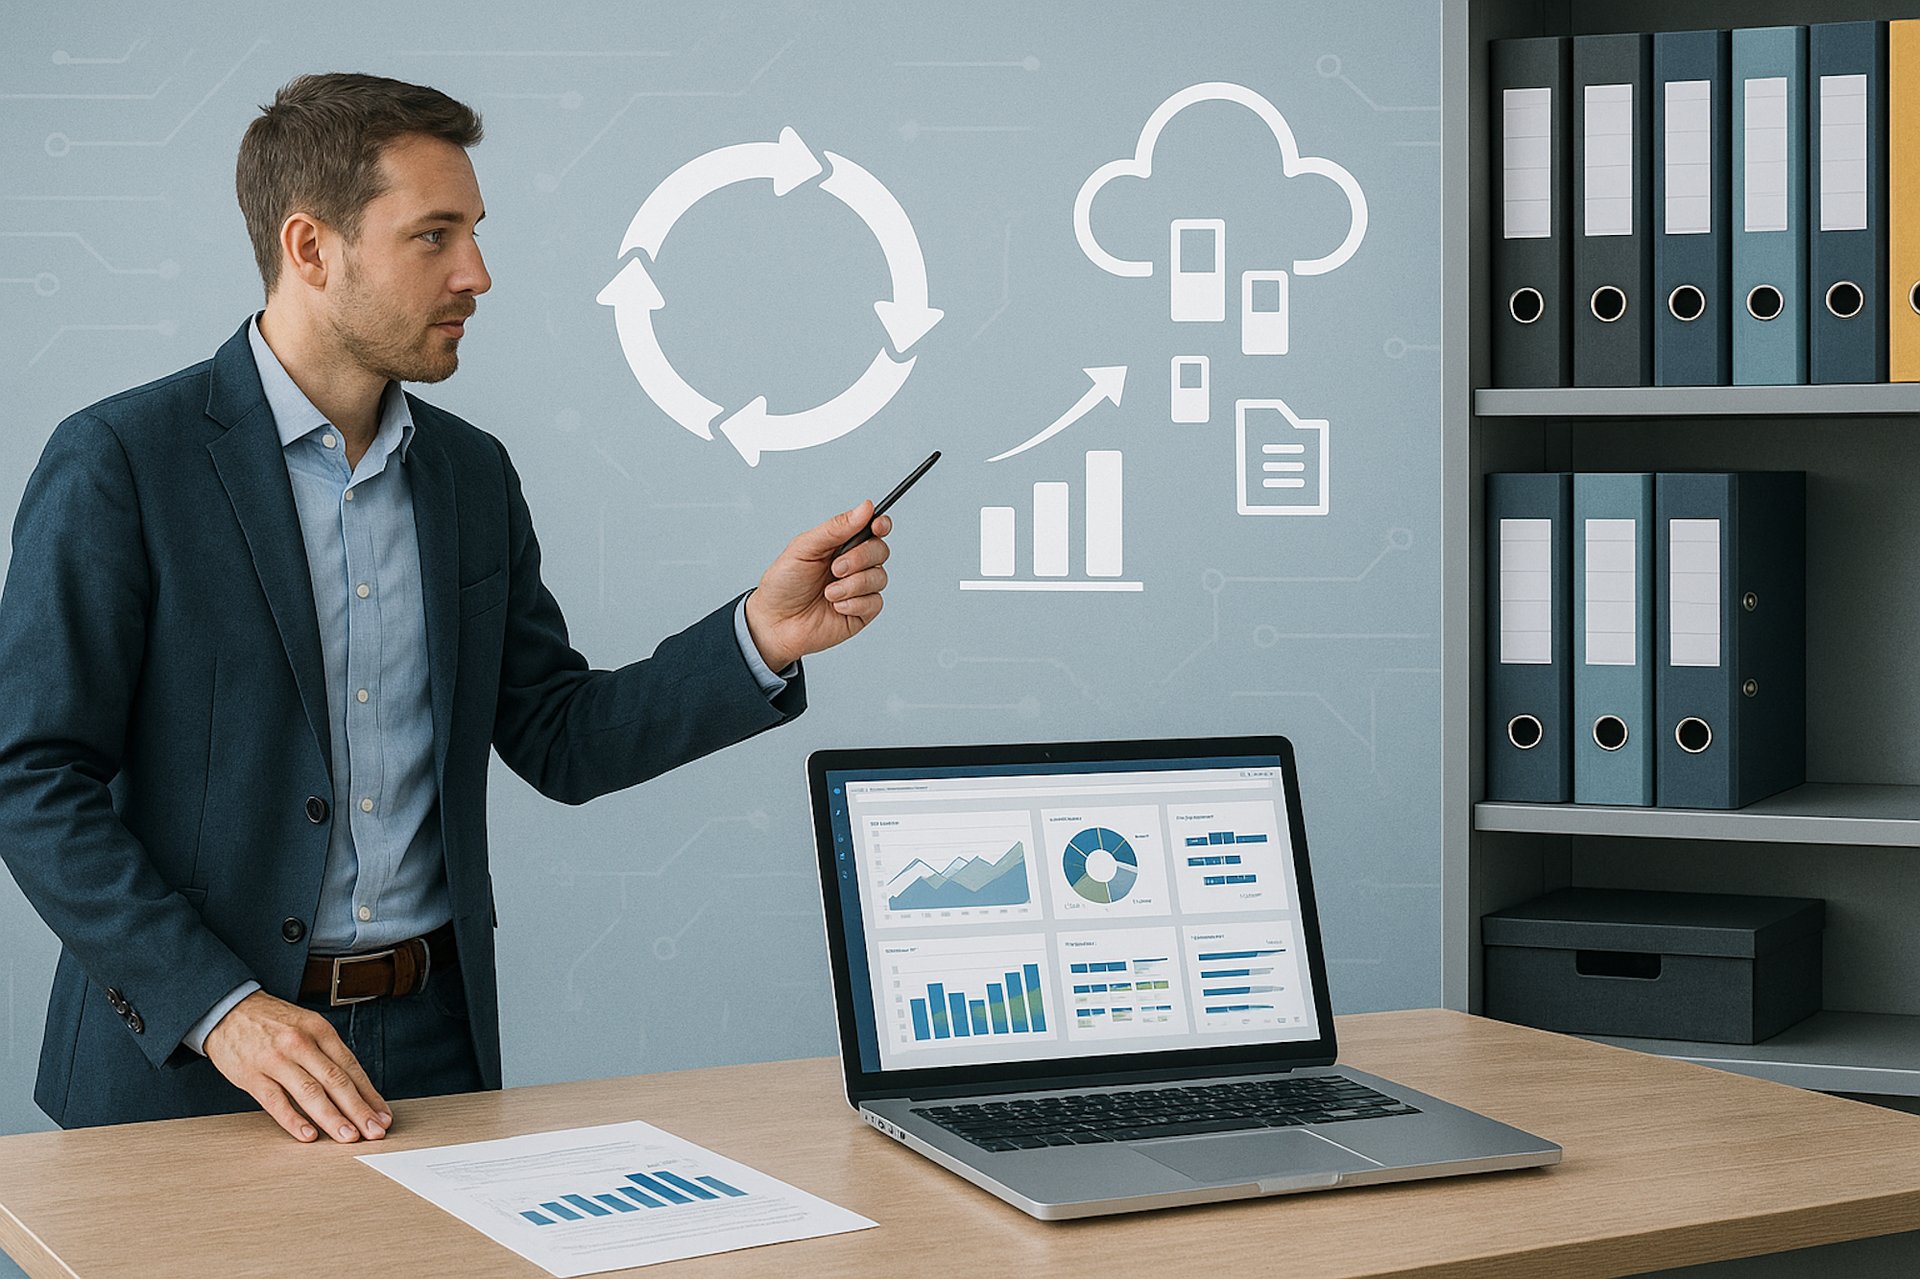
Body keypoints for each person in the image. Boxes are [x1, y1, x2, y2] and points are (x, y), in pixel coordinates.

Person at [0, 72, 893, 1144]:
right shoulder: (121, 462)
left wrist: (762, 635)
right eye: (434, 236)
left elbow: (559, 736)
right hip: (191, 1059)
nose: (477, 271)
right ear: (311, 248)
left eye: (472, 231)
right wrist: (223, 1011)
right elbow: (30, 774)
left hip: (433, 1045)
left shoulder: (469, 476)